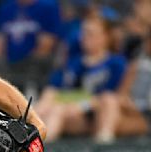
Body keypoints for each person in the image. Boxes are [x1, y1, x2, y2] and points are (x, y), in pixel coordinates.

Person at [35, 15, 135, 143]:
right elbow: (53, 89)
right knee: (51, 106)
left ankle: (104, 143)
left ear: (106, 37)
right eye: (83, 33)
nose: (84, 38)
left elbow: (111, 96)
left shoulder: (116, 63)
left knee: (108, 100)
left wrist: (78, 103)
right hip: (73, 113)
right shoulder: (73, 63)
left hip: (100, 111)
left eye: (90, 33)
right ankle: (37, 149)